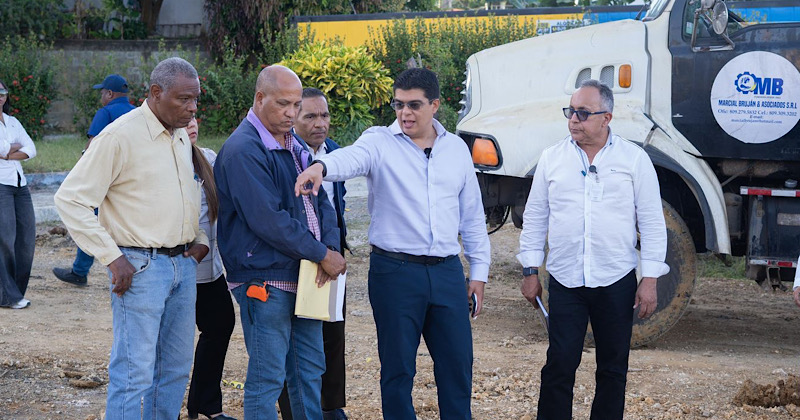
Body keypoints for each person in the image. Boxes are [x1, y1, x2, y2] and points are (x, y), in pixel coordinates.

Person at [294, 68, 491, 419]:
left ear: (435, 105)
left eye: (414, 105)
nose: (405, 113)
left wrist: (479, 272)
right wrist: (320, 166)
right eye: (399, 105)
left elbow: (473, 215)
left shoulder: (457, 149)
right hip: (395, 273)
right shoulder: (379, 141)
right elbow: (350, 157)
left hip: (447, 272)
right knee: (398, 370)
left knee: (458, 365)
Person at [54, 57, 209, 419]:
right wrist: (112, 257)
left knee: (174, 370)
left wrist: (199, 238)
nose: (192, 108)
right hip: (140, 268)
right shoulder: (119, 136)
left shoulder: (179, 134)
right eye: (184, 99)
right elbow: (70, 199)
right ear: (156, 93)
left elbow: (183, 192)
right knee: (133, 373)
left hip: (182, 266)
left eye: (196, 99)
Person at [517, 79, 669, 420]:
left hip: (616, 280)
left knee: (613, 369)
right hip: (566, 280)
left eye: (583, 113)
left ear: (606, 118)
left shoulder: (634, 159)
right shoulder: (552, 158)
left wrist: (650, 279)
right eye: (570, 111)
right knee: (560, 363)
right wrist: (530, 270)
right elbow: (535, 218)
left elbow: (652, 222)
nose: (574, 119)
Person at [214, 65, 346, 420]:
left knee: (309, 370)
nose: (291, 113)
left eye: (296, 105)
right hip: (265, 278)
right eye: (283, 104)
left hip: (306, 275)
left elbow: (322, 202)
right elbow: (267, 220)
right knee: (267, 377)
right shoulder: (243, 149)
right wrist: (321, 253)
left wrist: (330, 249)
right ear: (260, 98)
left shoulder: (293, 143)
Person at [278, 87, 349, 420]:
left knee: (333, 332)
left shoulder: (333, 153)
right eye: (310, 116)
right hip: (298, 256)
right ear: (293, 118)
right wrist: (316, 252)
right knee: (296, 342)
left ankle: (329, 406)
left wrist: (332, 250)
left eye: (325, 115)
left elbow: (335, 206)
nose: (320, 123)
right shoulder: (285, 154)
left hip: (331, 254)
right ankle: (294, 410)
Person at [53, 73, 136, 287]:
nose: (101, 97)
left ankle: (80, 271)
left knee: (91, 220)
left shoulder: (105, 112)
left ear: (109, 94)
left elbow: (93, 146)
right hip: (131, 180)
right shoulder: (138, 113)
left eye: (102, 92)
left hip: (106, 178)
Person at [185, 117, 237, 420]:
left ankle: (205, 404)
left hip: (208, 269)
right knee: (171, 345)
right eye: (184, 119)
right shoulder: (162, 162)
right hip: (176, 266)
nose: (191, 123)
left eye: (193, 116)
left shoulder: (207, 157)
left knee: (220, 325)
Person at [0, 79, 36, 310]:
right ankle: (8, 296)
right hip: (1, 185)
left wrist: (7, 153)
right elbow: (2, 148)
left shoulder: (13, 122)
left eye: (3, 92)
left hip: (19, 184)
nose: (0, 96)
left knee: (26, 239)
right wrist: (11, 148)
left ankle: (16, 292)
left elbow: (31, 149)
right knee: (5, 240)